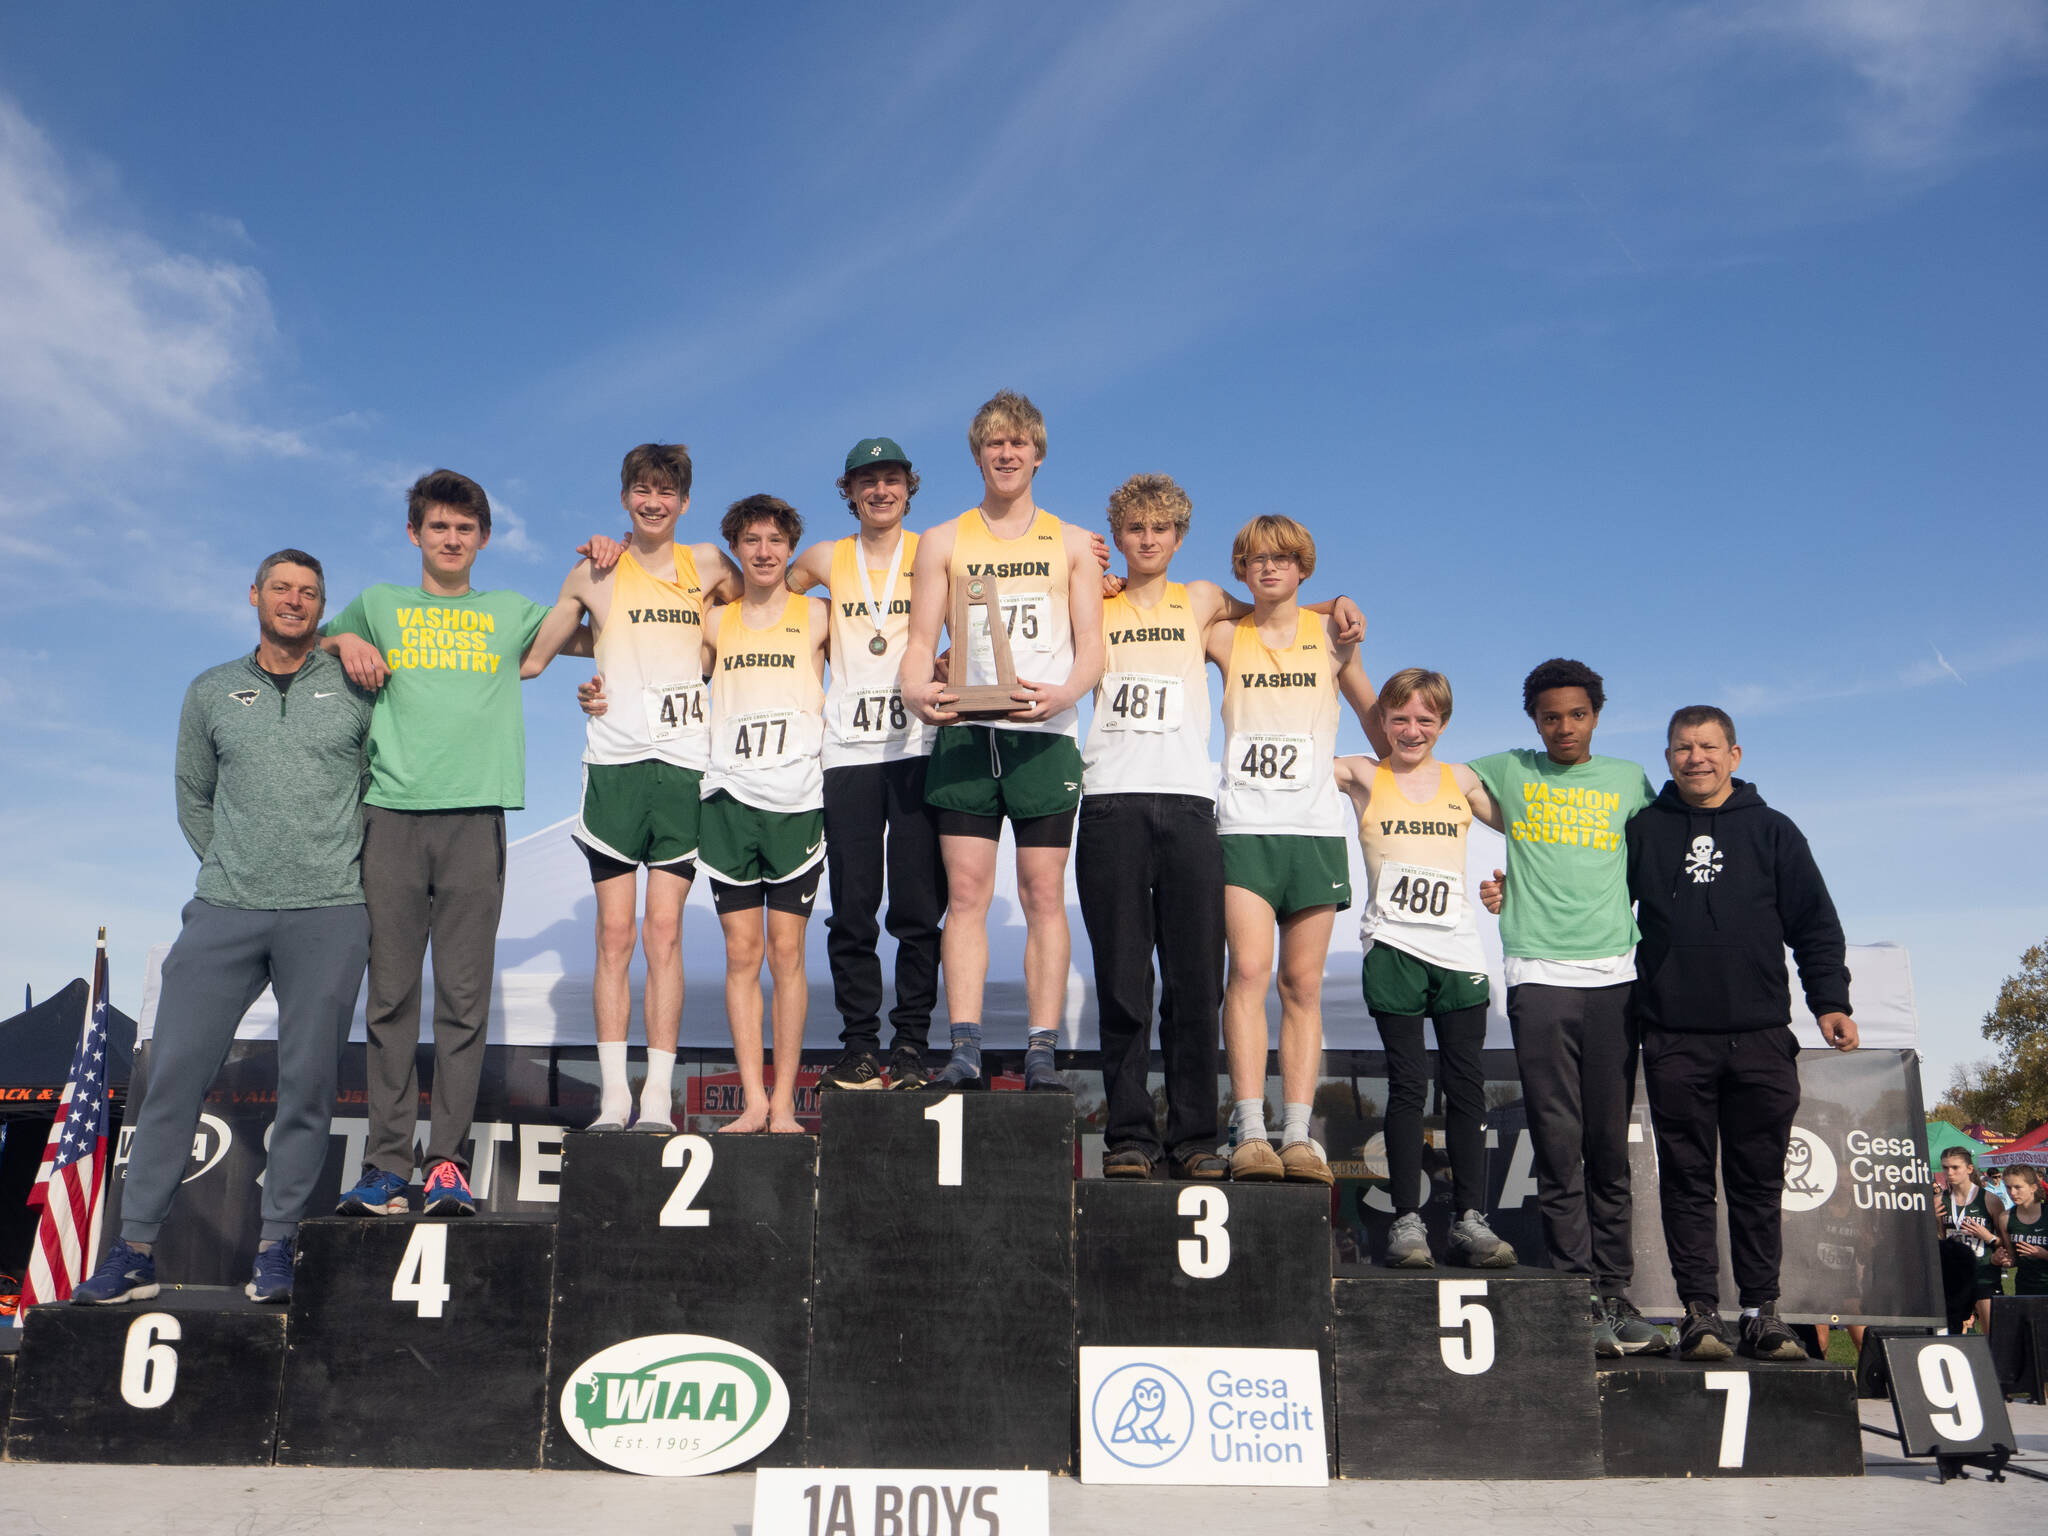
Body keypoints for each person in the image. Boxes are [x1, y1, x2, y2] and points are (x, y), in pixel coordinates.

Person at [74, 552, 373, 1305]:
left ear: (323, 607)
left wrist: (339, 868)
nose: (294, 601)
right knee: (173, 1076)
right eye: (282, 589)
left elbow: (379, 788)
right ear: (255, 596)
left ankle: (278, 1249)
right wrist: (234, 867)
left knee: (308, 1085)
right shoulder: (210, 689)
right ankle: (133, 1251)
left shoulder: (355, 685)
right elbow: (193, 795)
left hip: (330, 910)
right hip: (224, 909)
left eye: (309, 593)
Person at [322, 470, 555, 1217]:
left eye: (465, 529)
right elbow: (314, 639)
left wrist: (600, 570)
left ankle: (446, 1163)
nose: (451, 539)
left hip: (475, 819)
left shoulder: (510, 611)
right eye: (438, 527)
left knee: (462, 999)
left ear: (483, 538)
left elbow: (593, 632)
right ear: (415, 533)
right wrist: (344, 637)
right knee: (390, 999)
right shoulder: (379, 603)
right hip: (390, 816)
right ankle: (387, 1165)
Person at [1624, 705, 1859, 1363]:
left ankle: (1762, 1314)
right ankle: (1700, 1313)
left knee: (1758, 1183)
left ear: (1735, 755)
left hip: (1760, 1036)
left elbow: (1814, 923)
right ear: (1667, 757)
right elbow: (1594, 904)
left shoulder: (1773, 830)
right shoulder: (1644, 829)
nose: (1695, 758)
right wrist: (1516, 894)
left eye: (1708, 746)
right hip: (1674, 1036)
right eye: (1682, 747)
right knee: (1687, 1181)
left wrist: (1830, 1001)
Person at [523, 444, 738, 1131]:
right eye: (642, 490)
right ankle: (614, 1095)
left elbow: (759, 612)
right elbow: (532, 658)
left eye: (666, 491)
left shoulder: (708, 565)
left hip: (684, 764)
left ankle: (657, 1098)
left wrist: (710, 661)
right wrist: (595, 661)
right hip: (614, 766)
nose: (653, 502)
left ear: (684, 501)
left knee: (663, 932)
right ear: (625, 499)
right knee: (615, 933)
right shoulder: (593, 571)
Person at [899, 390, 1106, 1092]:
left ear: (1038, 454)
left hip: (1042, 737)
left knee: (1043, 891)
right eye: (995, 443)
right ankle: (965, 1048)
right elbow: (919, 641)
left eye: (1019, 443)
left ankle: (1042, 1050)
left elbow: (1092, 646)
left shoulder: (1072, 542)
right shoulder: (943, 540)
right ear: (978, 454)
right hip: (966, 735)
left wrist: (1066, 693)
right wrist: (915, 693)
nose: (1007, 453)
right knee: (965, 893)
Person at [1471, 659, 1661, 1355]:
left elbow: (1656, 861)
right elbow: (1423, 773)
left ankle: (1617, 1293)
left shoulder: (1629, 780)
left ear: (1596, 717)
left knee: (1608, 1148)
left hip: (1614, 979)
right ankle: (1577, 1295)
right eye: (1550, 717)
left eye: (1577, 715)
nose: (1564, 727)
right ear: (1534, 721)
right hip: (1538, 975)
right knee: (1558, 1145)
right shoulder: (1511, 770)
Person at [1208, 515, 1379, 1185]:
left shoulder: (1334, 639)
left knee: (1302, 985)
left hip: (1314, 832)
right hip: (1245, 829)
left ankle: (1299, 1135)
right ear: (1242, 569)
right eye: (1256, 559)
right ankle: (1251, 1130)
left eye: (1282, 558)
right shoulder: (1225, 635)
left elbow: (1377, 723)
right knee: (1249, 972)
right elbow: (1174, 614)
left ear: (1303, 567)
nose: (1269, 567)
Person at [1334, 669, 1515, 1266]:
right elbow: (1294, 762)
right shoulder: (1363, 773)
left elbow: (1530, 832)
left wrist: (1512, 885)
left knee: (1466, 1087)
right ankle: (1406, 1222)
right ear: (1382, 721)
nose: (1412, 731)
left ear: (1443, 723)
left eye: (1425, 720)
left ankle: (1470, 1220)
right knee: (1408, 1086)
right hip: (1394, 949)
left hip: (1459, 952)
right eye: (1400, 719)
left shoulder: (1461, 780)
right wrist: (1342, 655)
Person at [788, 438, 946, 1093]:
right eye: (867, 481)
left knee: (917, 908)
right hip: (847, 755)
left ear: (909, 487)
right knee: (853, 909)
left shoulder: (935, 550)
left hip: (917, 749)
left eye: (891, 480)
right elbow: (766, 597)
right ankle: (858, 1047)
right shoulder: (825, 557)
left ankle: (910, 1046)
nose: (880, 491)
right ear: (848, 492)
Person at [698, 495, 832, 1132]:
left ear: (791, 547)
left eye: (776, 540)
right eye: (751, 540)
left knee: (787, 953)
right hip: (728, 801)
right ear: (735, 548)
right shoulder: (713, 622)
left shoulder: (820, 615)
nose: (764, 551)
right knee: (741, 953)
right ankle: (753, 1100)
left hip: (797, 802)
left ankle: (785, 1103)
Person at [1938, 1147, 2004, 1333]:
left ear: (1969, 1168)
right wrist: (1934, 1220)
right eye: (1945, 1168)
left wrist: (1988, 1236)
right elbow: (1939, 1241)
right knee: (1952, 1336)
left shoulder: (1990, 1200)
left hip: (1984, 1273)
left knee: (1995, 1335)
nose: (1949, 1173)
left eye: (1955, 1167)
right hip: (1953, 1278)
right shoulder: (1938, 1201)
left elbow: (2005, 1243)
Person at [2002, 1165, 2047, 1296]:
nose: (2012, 1193)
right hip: (2024, 1289)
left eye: (2018, 1187)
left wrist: (2044, 1255)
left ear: (2033, 1188)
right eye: (2008, 1187)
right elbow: (2012, 1259)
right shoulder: (2005, 1218)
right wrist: (2003, 1260)